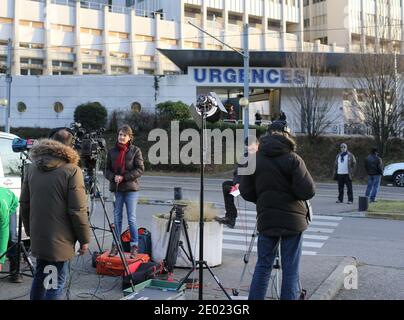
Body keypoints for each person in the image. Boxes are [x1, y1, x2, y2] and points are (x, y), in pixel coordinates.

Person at [239, 120, 315, 300]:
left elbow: (246, 191)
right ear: (287, 136)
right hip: (293, 222)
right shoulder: (293, 159)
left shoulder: (254, 159)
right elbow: (307, 191)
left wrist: (263, 199)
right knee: (290, 269)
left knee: (263, 266)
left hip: (267, 218)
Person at [20, 129, 91, 300]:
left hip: (39, 235)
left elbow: (25, 204)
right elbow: (77, 211)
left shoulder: (32, 168)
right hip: (61, 240)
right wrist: (84, 239)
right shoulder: (72, 170)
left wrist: (30, 232)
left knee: (41, 277)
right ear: (71, 146)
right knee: (55, 283)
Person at [105, 125, 144, 258]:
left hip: (131, 189)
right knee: (117, 218)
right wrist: (113, 177)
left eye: (124, 135)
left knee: (131, 218)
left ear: (129, 137)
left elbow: (140, 169)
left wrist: (124, 177)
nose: (121, 137)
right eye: (120, 134)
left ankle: (134, 246)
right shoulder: (111, 152)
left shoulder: (135, 151)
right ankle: (116, 246)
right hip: (117, 189)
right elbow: (106, 170)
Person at [215, 136, 259, 228]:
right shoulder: (245, 157)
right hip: (243, 188)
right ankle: (231, 218)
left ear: (257, 145)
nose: (250, 148)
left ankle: (261, 217)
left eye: (252, 145)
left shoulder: (261, 157)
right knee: (226, 186)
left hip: (256, 190)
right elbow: (238, 172)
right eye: (248, 146)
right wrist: (237, 183)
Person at [0, 187, 19, 275]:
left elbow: (4, 234)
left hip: (11, 204)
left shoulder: (2, 206)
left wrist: (1, 261)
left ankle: (15, 270)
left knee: (11, 236)